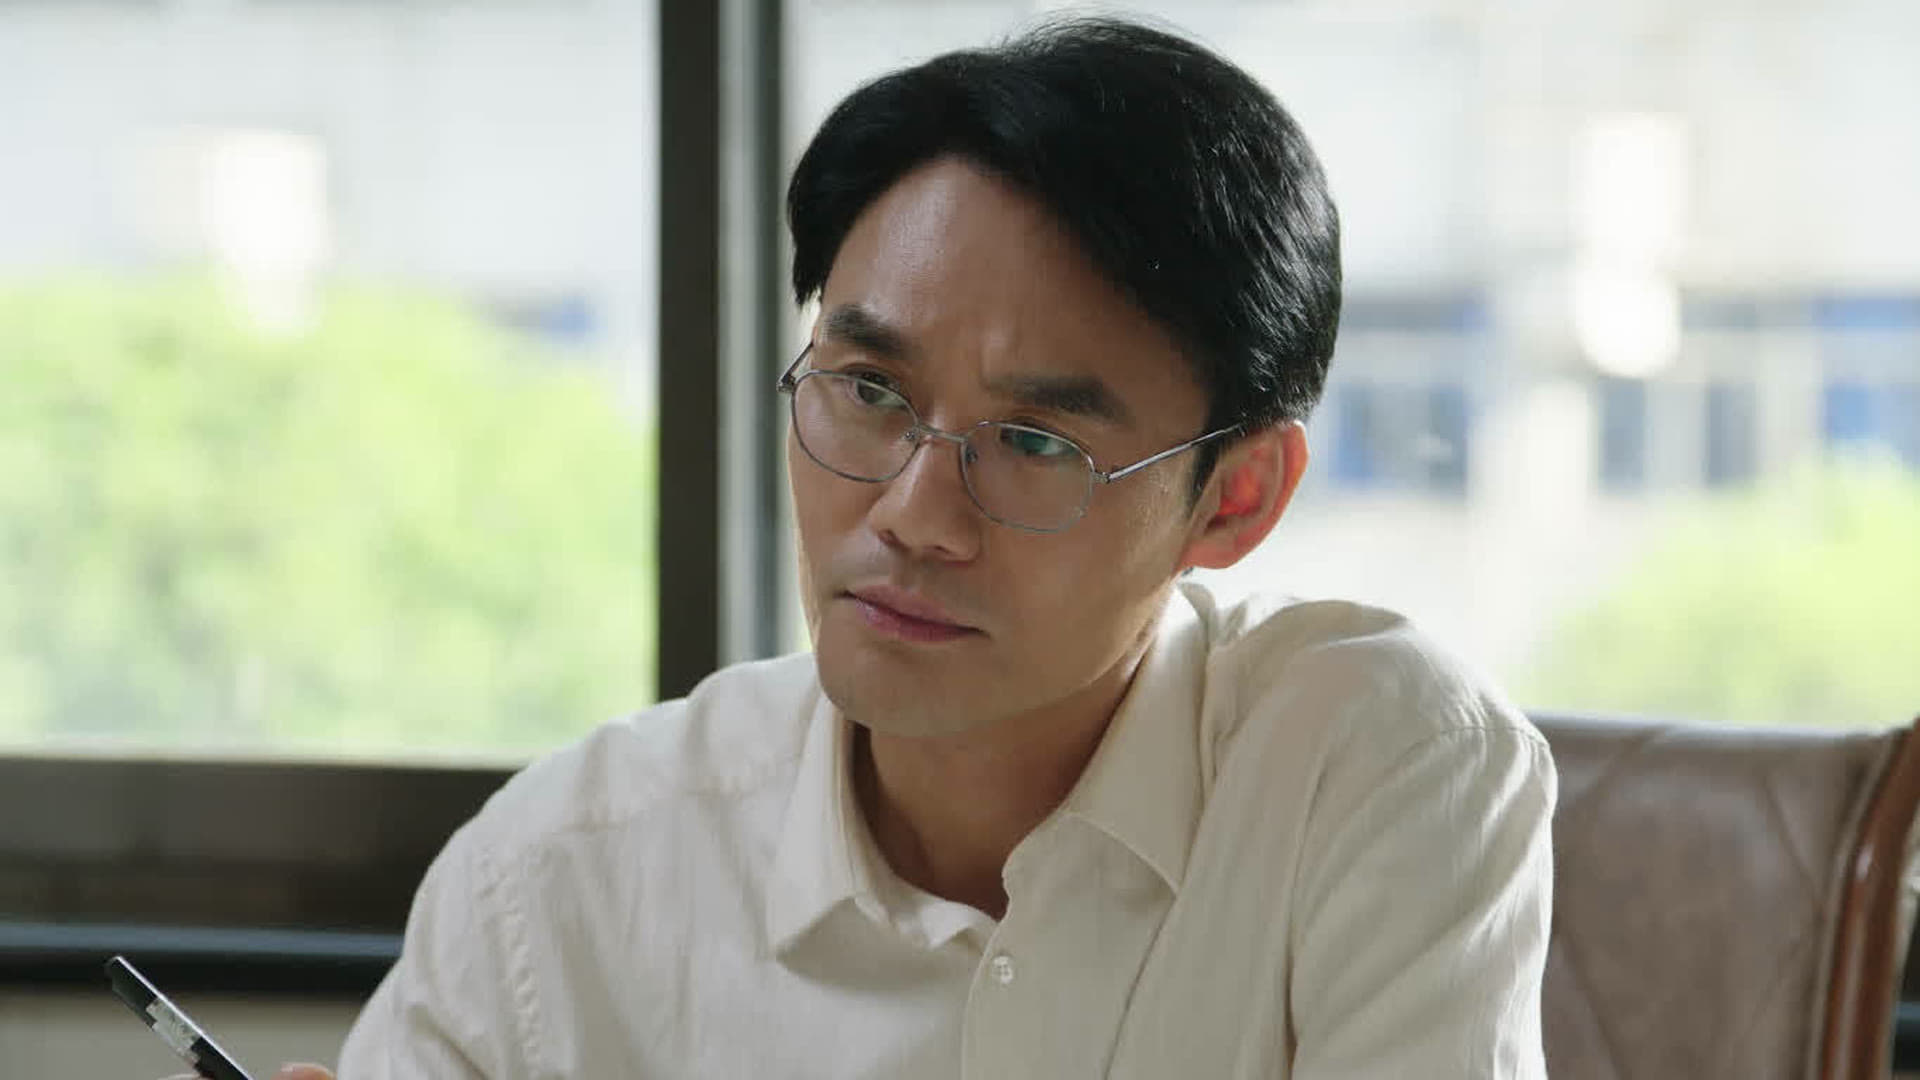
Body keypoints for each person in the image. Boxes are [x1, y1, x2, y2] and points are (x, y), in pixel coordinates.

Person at [267, 16, 1555, 1079]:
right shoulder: (562, 881)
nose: (912, 516)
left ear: (1236, 499)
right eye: (869, 391)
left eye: (1037, 441)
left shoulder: (1374, 770)